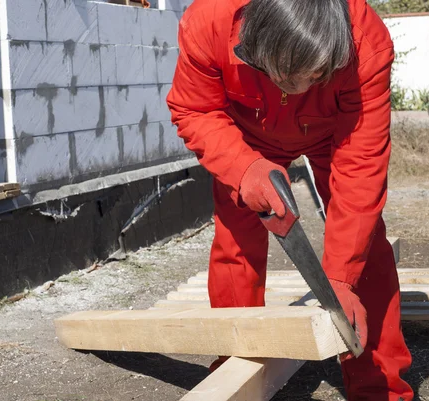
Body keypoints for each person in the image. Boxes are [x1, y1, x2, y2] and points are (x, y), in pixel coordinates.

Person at [166, 0, 413, 399]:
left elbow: (361, 165)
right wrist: (242, 167)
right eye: (283, 74)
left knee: (363, 248)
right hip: (246, 137)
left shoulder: (367, 43)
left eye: (314, 75)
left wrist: (340, 277)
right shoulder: (209, 20)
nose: (296, 90)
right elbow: (194, 108)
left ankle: (378, 387)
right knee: (235, 246)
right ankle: (237, 371)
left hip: (334, 132)